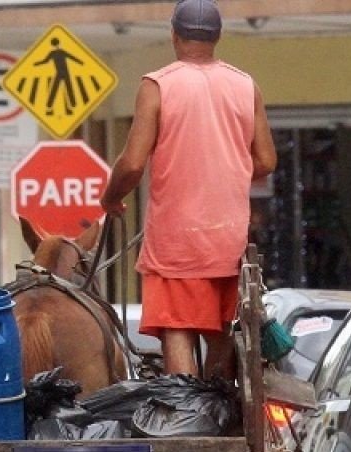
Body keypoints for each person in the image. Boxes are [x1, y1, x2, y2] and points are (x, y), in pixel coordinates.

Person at [99, 0, 276, 378]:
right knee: (223, 330)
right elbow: (266, 161)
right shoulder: (246, 86)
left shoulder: (157, 85)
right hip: (229, 240)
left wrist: (111, 198)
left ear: (174, 35)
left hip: (177, 239)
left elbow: (131, 163)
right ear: (218, 37)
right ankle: (220, 408)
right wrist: (223, 173)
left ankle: (187, 412)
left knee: (176, 327)